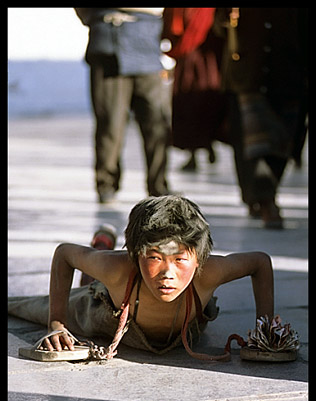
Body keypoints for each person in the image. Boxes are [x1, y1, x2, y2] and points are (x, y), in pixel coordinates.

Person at [8, 195, 275, 362]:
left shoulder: (209, 272)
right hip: (108, 306)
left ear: (198, 258)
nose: (168, 273)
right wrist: (57, 324)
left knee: (98, 272)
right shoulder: (118, 268)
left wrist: (265, 330)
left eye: (180, 260)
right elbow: (64, 254)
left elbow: (260, 262)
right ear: (135, 256)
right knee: (73, 291)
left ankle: (102, 242)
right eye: (155, 258)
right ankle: (101, 246)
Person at [213, 8, 308, 228]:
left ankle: (264, 193)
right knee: (252, 142)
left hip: (289, 72)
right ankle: (265, 199)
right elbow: (220, 24)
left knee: (283, 139)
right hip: (248, 73)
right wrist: (227, 18)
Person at [75, 8, 171, 202]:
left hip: (147, 44)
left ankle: (159, 185)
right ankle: (106, 184)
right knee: (110, 124)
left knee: (157, 123)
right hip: (108, 43)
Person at [162, 8, 230, 171]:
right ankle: (195, 150)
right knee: (189, 103)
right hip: (190, 57)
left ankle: (208, 143)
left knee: (208, 100)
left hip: (211, 50)